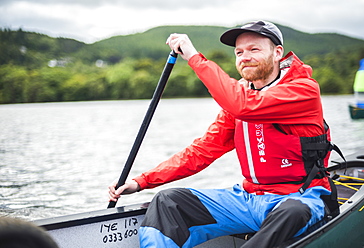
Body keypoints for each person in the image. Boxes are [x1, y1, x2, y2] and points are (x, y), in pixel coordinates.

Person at [108, 20, 339, 248]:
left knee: (293, 211)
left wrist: (194, 58)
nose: (244, 56)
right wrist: (142, 181)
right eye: (239, 52)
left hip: (300, 198)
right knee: (167, 201)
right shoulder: (240, 96)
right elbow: (202, 151)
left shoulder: (303, 90)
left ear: (278, 53)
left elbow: (243, 105)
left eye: (254, 49)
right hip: (249, 200)